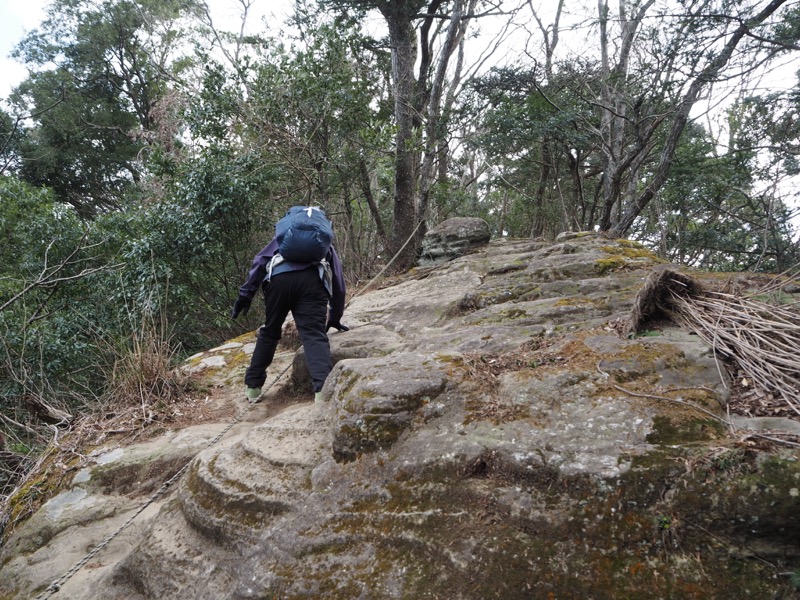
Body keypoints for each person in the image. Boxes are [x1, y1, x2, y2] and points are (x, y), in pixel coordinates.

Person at [231, 210, 347, 403]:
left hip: (279, 281)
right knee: (313, 335)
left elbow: (260, 262)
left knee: (270, 331)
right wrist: (334, 317)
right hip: (312, 283)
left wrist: (245, 295)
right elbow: (338, 283)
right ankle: (322, 393)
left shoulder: (283, 238)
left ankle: (253, 387)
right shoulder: (324, 244)